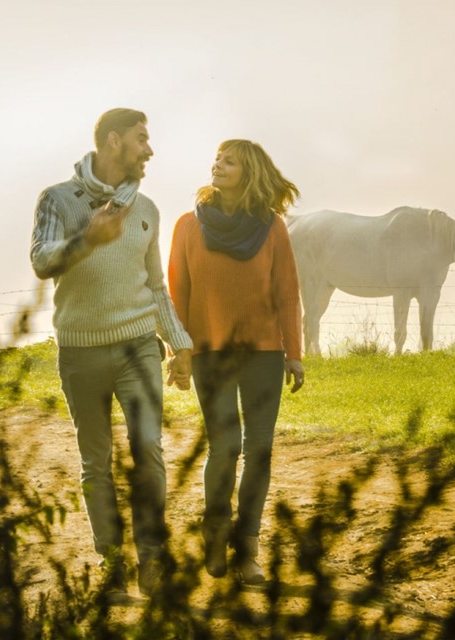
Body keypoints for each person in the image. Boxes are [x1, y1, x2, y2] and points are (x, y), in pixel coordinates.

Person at [30, 108, 193, 599]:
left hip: (138, 347)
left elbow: (156, 286)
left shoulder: (145, 209)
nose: (150, 149)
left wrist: (179, 343)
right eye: (143, 139)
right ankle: (112, 561)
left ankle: (152, 558)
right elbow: (41, 261)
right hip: (81, 351)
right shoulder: (57, 199)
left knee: (148, 450)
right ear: (114, 141)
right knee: (96, 461)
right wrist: (88, 239)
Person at [167, 139, 305, 585]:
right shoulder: (188, 225)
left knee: (259, 452)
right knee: (225, 447)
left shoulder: (272, 227)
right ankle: (215, 533)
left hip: (264, 354)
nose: (218, 165)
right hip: (210, 354)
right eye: (217, 159)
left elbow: (287, 293)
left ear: (250, 173)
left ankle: (247, 550)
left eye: (230, 161)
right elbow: (178, 294)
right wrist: (179, 353)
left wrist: (296, 354)